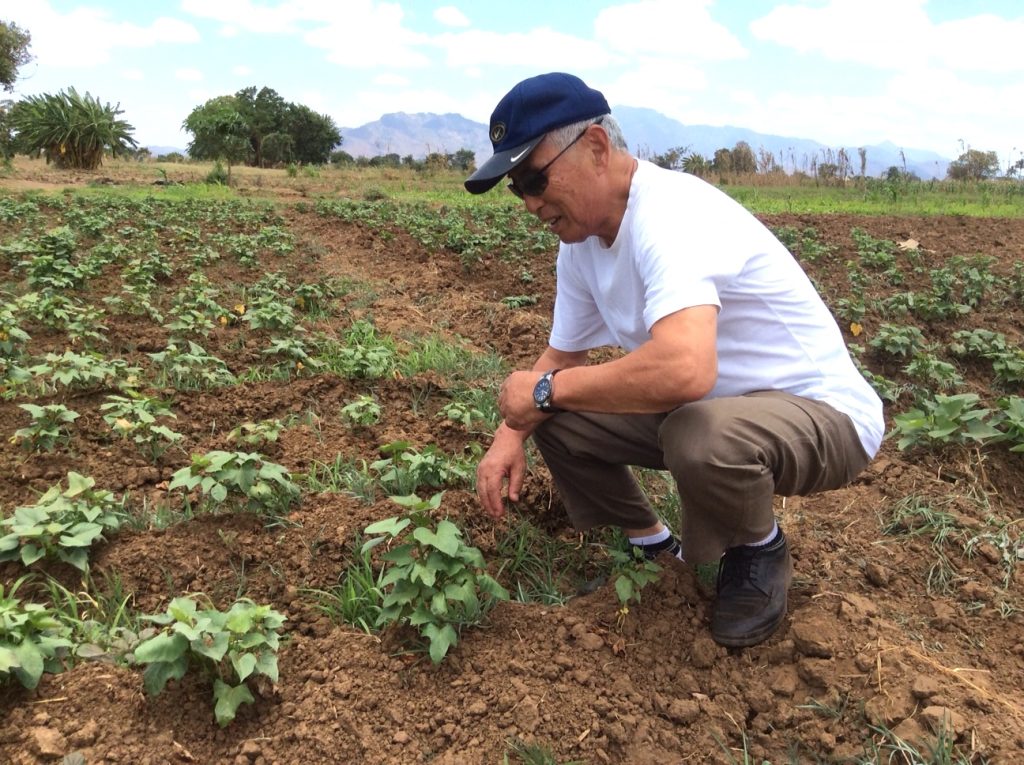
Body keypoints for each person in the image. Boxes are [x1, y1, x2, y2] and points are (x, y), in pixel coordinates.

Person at [464, 72, 884, 648]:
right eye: (518, 188)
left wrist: (543, 391)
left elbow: (686, 370)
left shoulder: (670, 214)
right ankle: (656, 550)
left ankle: (757, 551)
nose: (531, 202)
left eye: (535, 178)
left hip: (823, 414)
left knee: (690, 430)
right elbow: (561, 355)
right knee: (555, 415)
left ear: (596, 147)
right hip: (715, 409)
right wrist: (512, 432)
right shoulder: (581, 243)